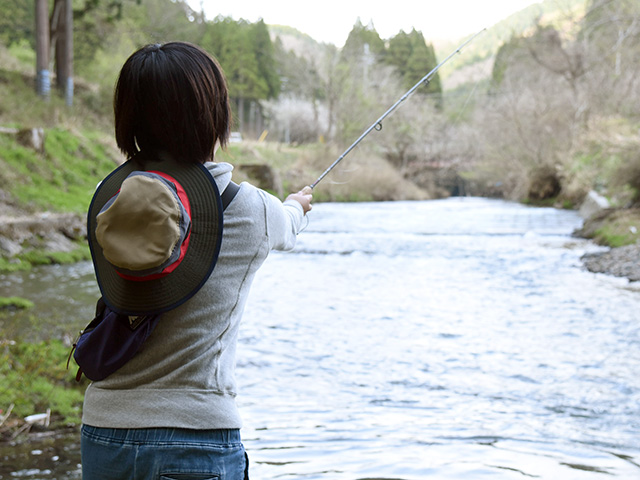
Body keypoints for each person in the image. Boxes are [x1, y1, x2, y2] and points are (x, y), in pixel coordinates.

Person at [80, 41, 312, 479]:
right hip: (195, 436)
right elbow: (289, 224)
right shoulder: (252, 209)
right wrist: (298, 204)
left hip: (103, 433)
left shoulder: (107, 201)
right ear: (215, 115)